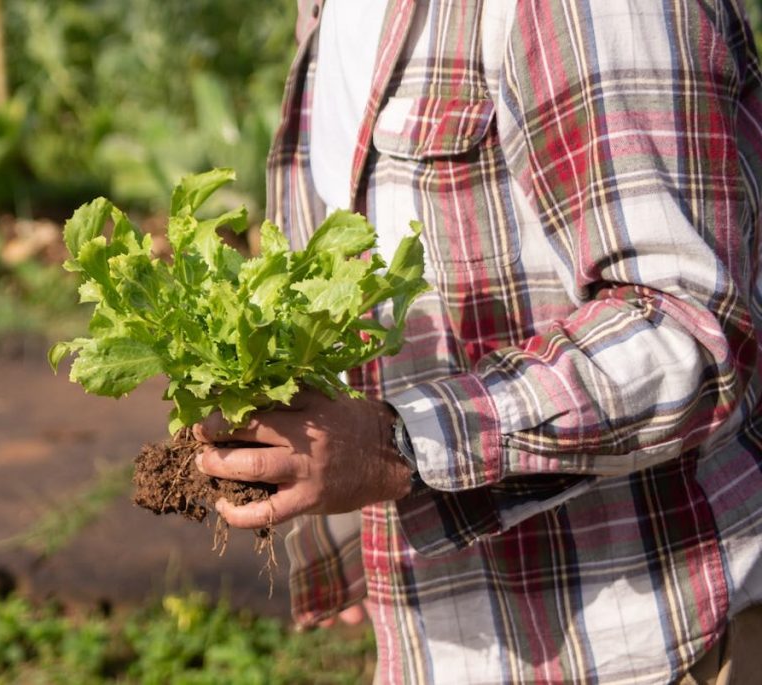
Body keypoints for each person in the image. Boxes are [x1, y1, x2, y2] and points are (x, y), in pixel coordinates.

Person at [194, 1, 762, 683]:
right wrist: (349, 529)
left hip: (649, 633)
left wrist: (392, 447)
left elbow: (683, 328)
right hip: (450, 631)